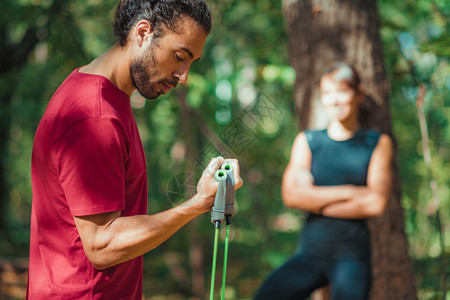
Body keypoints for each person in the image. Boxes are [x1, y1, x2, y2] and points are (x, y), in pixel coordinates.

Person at [27, 0, 243, 299]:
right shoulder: (94, 117)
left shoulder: (102, 95)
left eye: (191, 63)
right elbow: (102, 246)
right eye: (180, 56)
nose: (184, 75)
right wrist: (196, 203)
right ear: (143, 33)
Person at [254, 62, 393, 300]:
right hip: (310, 254)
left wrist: (314, 199)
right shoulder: (307, 141)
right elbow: (291, 196)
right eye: (327, 93)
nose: (334, 101)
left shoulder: (377, 143)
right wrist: (352, 191)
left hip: (353, 258)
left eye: (341, 91)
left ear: (358, 94)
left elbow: (375, 204)